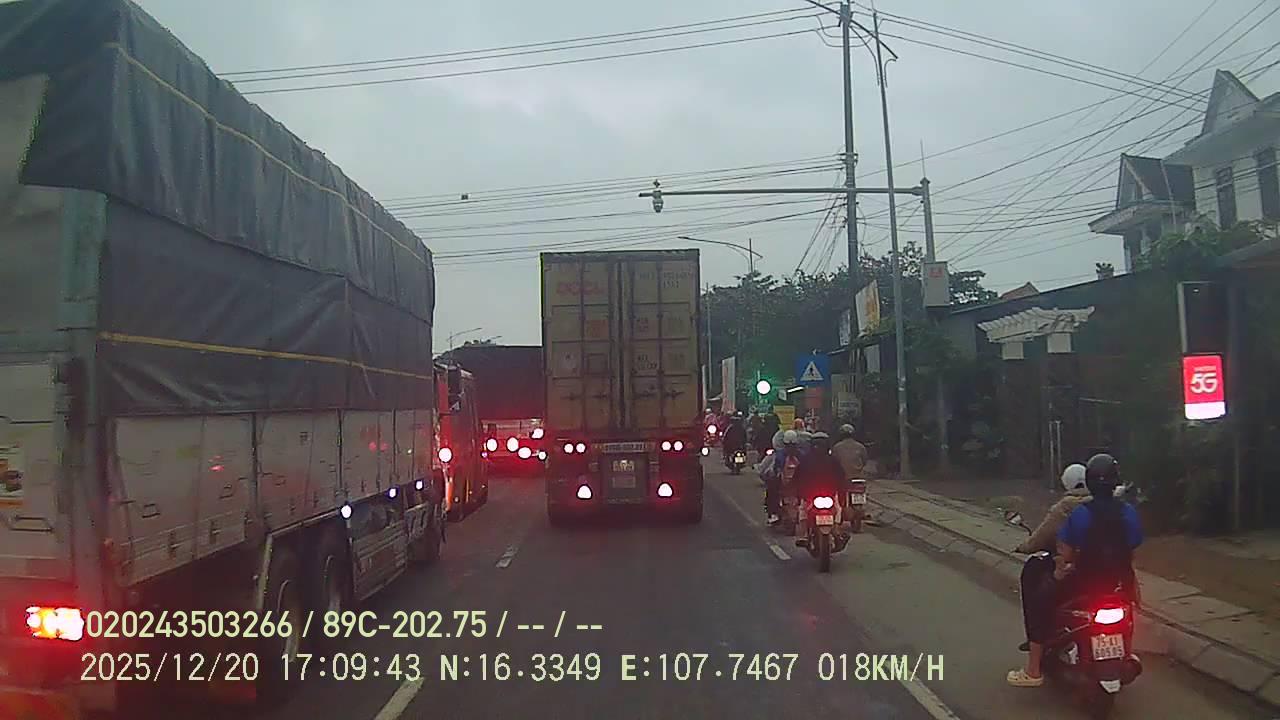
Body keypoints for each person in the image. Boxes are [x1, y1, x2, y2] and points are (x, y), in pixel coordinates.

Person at [1008, 453, 1143, 688]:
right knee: (1131, 607)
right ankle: (1127, 652)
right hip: (1118, 584)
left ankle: (1033, 670)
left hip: (1083, 584)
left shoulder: (1080, 514)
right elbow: (1133, 547)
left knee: (1039, 601)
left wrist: (1062, 568)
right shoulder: (1128, 512)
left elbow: (1066, 551)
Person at [791, 431, 845, 547]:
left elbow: (797, 478)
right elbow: (841, 477)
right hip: (815, 495)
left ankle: (805, 535)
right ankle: (835, 530)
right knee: (837, 509)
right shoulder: (832, 460)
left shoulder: (807, 459)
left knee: (803, 510)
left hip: (821, 494)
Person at [831, 424, 870, 531]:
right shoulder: (860, 446)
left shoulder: (837, 447)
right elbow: (865, 460)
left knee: (838, 498)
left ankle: (840, 516)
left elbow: (834, 462)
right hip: (859, 478)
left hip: (844, 479)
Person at [763, 430, 804, 524]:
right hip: (783, 482)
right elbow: (773, 469)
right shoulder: (780, 455)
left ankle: (773, 512)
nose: (790, 448)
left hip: (797, 483)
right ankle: (773, 512)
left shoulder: (799, 455)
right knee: (772, 489)